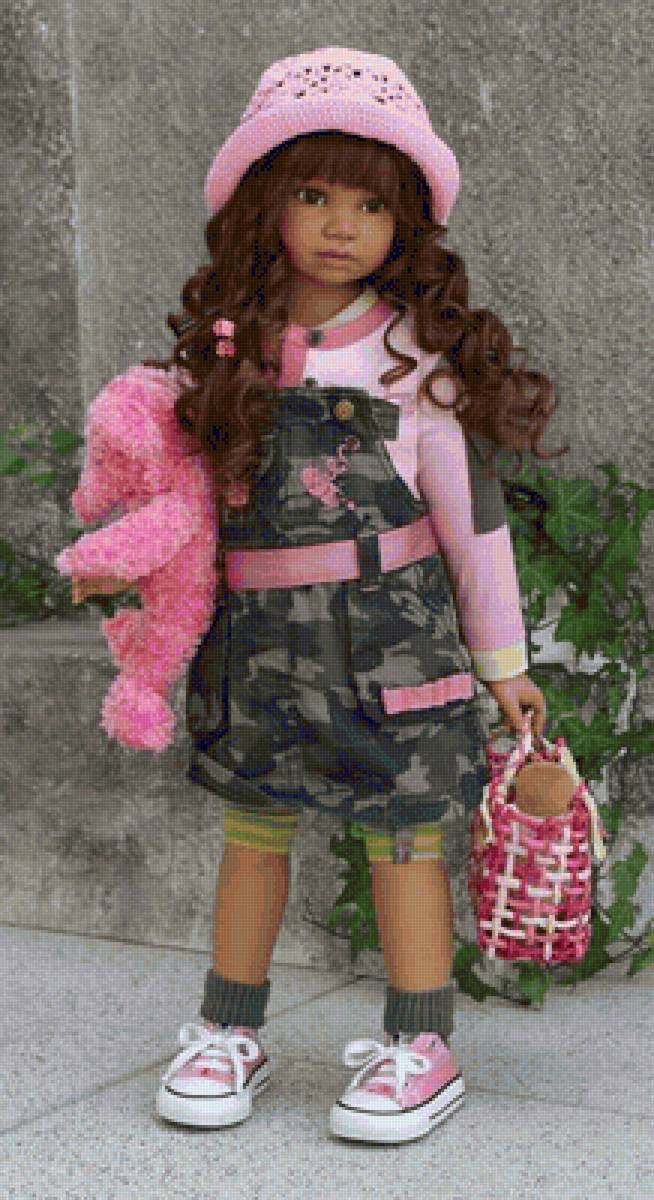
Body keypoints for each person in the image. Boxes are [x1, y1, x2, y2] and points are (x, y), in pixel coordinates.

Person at [73, 47, 564, 1144]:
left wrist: (505, 665)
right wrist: (129, 564)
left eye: (371, 204)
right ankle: (227, 1027)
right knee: (253, 828)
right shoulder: (226, 350)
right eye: (313, 194)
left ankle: (422, 1042)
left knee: (405, 835)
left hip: (393, 640)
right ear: (266, 202)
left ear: (406, 223)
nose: (342, 226)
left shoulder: (414, 360)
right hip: (259, 639)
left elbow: (472, 522)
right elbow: (180, 503)